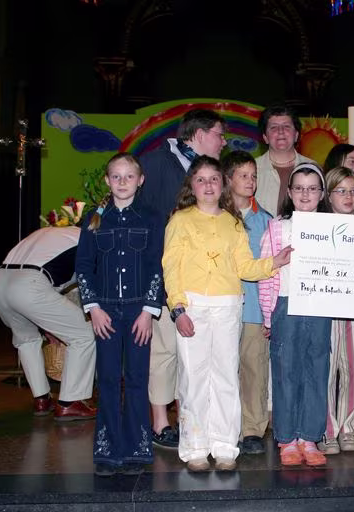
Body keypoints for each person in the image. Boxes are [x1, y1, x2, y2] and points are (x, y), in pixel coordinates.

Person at [163, 155, 291, 472]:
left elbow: (244, 267)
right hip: (192, 306)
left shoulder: (233, 223)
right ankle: (195, 447)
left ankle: (224, 447)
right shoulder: (180, 220)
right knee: (193, 378)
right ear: (192, 185)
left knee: (225, 377)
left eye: (214, 179)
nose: (208, 185)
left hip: (228, 306)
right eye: (201, 179)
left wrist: (274, 262)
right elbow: (171, 268)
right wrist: (178, 308)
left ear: (222, 185)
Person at [138, 109, 228, 449]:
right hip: (166, 275)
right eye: (219, 134)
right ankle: (161, 422)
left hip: (205, 282)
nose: (223, 142)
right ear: (200, 134)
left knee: (194, 355)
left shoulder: (209, 170)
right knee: (164, 352)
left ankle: (191, 420)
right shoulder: (154, 163)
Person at [76, 153, 165, 476]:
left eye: (129, 176)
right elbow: (83, 265)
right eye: (116, 176)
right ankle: (108, 450)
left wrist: (149, 311)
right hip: (106, 313)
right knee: (109, 378)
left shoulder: (153, 217)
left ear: (140, 180)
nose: (122, 182)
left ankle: (137, 449)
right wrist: (93, 308)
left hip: (139, 312)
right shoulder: (94, 219)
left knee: (138, 378)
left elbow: (157, 265)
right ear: (107, 180)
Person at [258, 162, 331, 467]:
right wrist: (268, 316)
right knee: (286, 371)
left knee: (317, 370)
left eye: (312, 188)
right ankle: (287, 438)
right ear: (289, 192)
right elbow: (265, 272)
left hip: (320, 307)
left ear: (322, 193)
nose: (305, 194)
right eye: (299, 188)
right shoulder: (277, 228)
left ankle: (309, 437)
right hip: (286, 306)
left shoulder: (334, 228)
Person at [0, 227, 97, 420]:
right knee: (84, 334)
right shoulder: (90, 239)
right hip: (30, 285)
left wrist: (49, 326)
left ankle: (42, 399)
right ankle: (71, 402)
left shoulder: (50, 232)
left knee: (26, 340)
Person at [223, 150, 273, 455]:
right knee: (222, 371)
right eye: (243, 175)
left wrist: (270, 313)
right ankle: (224, 427)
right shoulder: (216, 217)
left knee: (254, 370)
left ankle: (253, 429)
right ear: (228, 179)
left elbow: (272, 271)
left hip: (254, 309)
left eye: (253, 176)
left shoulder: (265, 221)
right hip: (221, 308)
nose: (250, 181)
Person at [317, 167, 354, 455]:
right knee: (326, 367)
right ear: (328, 195)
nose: (348, 197)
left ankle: (349, 426)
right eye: (341, 191)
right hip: (325, 307)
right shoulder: (317, 227)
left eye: (353, 191)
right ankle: (327, 429)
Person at [254, 103, 316, 217]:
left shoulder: (313, 168)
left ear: (296, 135)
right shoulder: (252, 170)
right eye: (273, 127)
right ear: (265, 137)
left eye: (286, 126)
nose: (281, 131)